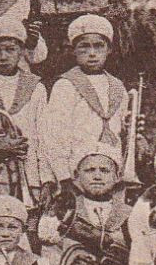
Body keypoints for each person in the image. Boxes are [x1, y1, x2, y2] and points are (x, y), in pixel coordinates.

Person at [44, 14, 133, 191]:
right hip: (77, 172)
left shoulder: (118, 86)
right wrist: (65, 177)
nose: (92, 53)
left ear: (109, 49)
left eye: (99, 46)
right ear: (73, 51)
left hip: (110, 171)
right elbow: (54, 136)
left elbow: (123, 131)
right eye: (84, 47)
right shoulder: (65, 85)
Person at [0, 17, 49, 200]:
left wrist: (47, 180)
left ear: (22, 51)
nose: (3, 56)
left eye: (10, 49)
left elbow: (45, 136)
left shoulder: (37, 87)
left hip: (30, 174)